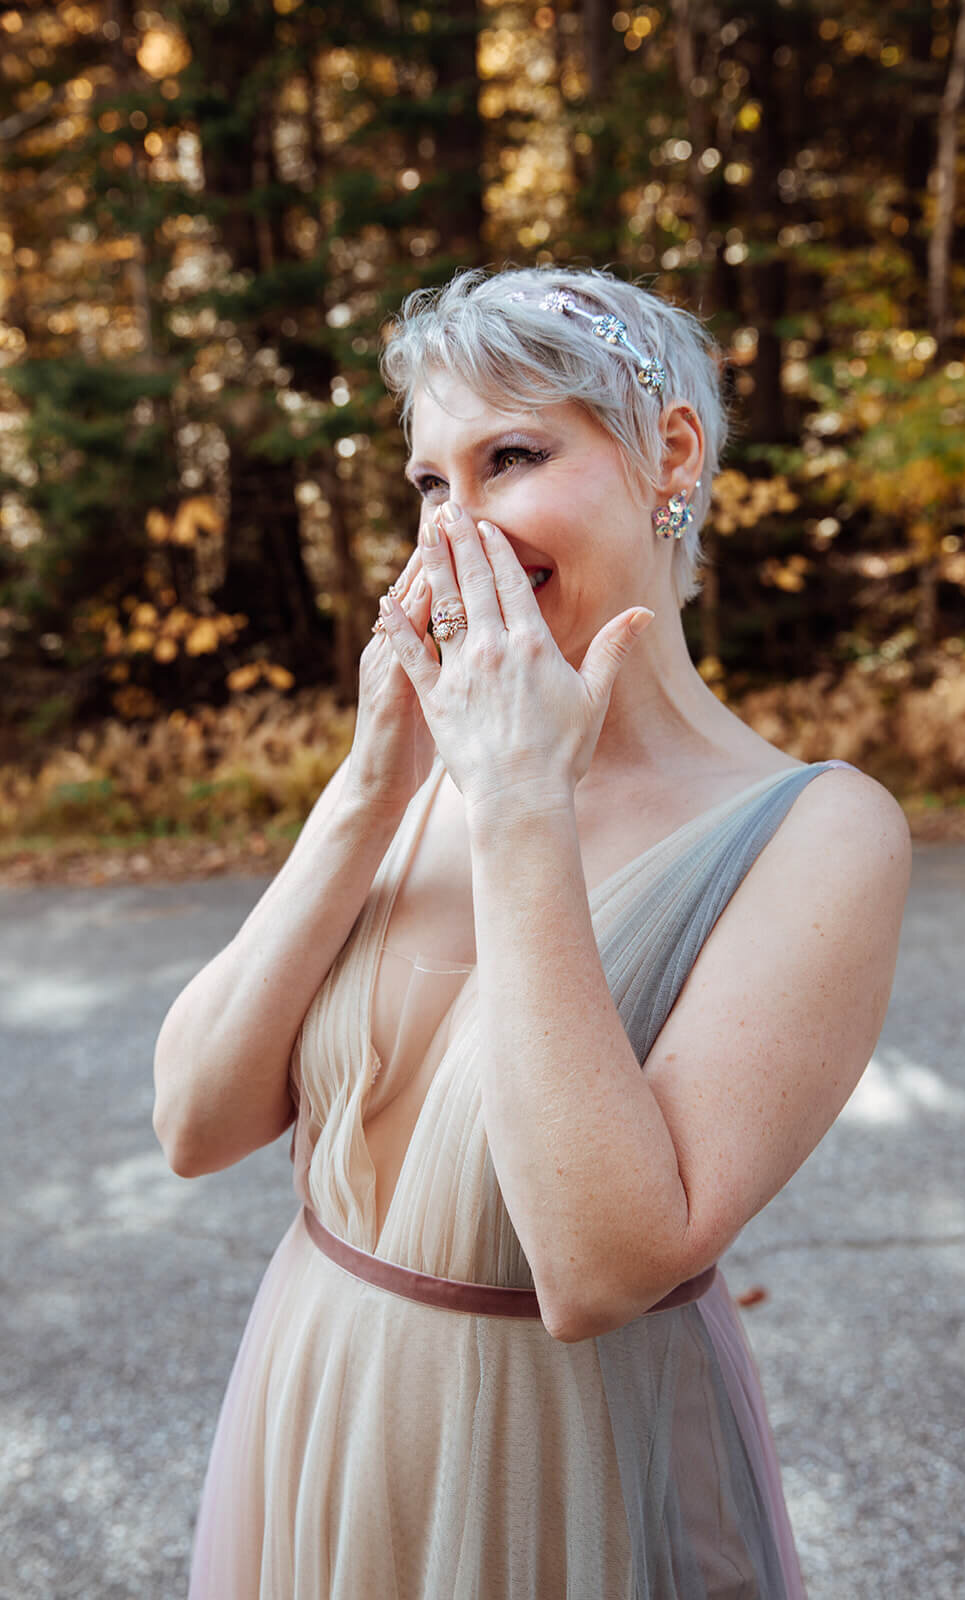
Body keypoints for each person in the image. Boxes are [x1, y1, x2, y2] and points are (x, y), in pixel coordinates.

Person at [153, 264, 911, 1599]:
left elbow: (601, 1265)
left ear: (667, 452)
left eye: (512, 454)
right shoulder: (417, 773)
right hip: (314, 1404)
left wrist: (518, 806)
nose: (460, 527)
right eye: (432, 484)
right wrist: (367, 786)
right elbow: (196, 1125)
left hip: (572, 1474)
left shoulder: (823, 835)